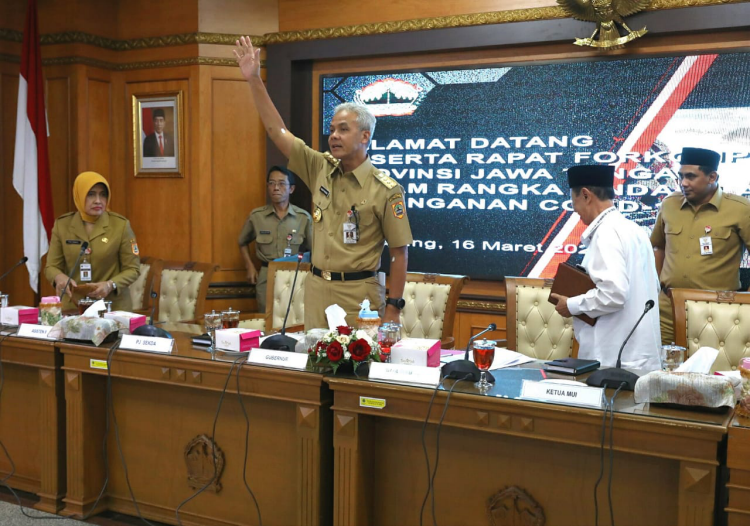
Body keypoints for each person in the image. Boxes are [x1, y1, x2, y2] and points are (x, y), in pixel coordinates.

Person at [234, 36, 413, 329]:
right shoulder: (320, 166)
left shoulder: (385, 189)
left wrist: (393, 308)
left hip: (360, 295)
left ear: (365, 137)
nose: (333, 136)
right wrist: (254, 79)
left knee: (356, 371)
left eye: (344, 129)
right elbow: (276, 131)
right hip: (317, 288)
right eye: (331, 129)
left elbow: (399, 253)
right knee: (313, 367)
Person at [551, 165, 661, 371]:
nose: (575, 210)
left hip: (613, 360)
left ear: (585, 195)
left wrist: (571, 305)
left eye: (573, 201)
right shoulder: (634, 229)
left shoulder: (606, 233)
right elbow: (652, 287)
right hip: (640, 357)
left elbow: (614, 295)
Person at [651, 147, 750, 344]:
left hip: (717, 310)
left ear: (712, 176)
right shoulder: (669, 204)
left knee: (712, 370)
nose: (683, 183)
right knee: (664, 368)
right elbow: (658, 247)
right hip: (667, 308)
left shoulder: (740, 209)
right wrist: (657, 286)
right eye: (681, 176)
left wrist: (746, 301)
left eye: (691, 176)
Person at [45, 172, 141, 312]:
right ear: (79, 195)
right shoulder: (63, 225)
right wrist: (59, 277)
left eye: (103, 194)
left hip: (111, 308)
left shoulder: (120, 226)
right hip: (73, 307)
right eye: (90, 194)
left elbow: (133, 269)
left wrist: (110, 284)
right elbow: (51, 267)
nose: (98, 200)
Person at [238, 166, 313, 313]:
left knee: (293, 318)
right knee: (266, 317)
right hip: (267, 274)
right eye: (271, 183)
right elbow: (242, 241)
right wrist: (250, 266)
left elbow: (313, 250)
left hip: (294, 275)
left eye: (281, 183)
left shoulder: (303, 218)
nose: (276, 188)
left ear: (291, 189)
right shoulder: (257, 216)